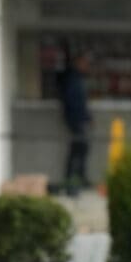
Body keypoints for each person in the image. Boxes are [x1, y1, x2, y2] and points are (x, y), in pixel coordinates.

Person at [59, 49, 93, 194]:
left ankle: (78, 180)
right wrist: (83, 118)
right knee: (77, 152)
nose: (87, 66)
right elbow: (74, 102)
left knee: (80, 150)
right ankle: (72, 184)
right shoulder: (73, 79)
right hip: (76, 120)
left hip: (78, 120)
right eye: (85, 63)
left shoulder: (76, 78)